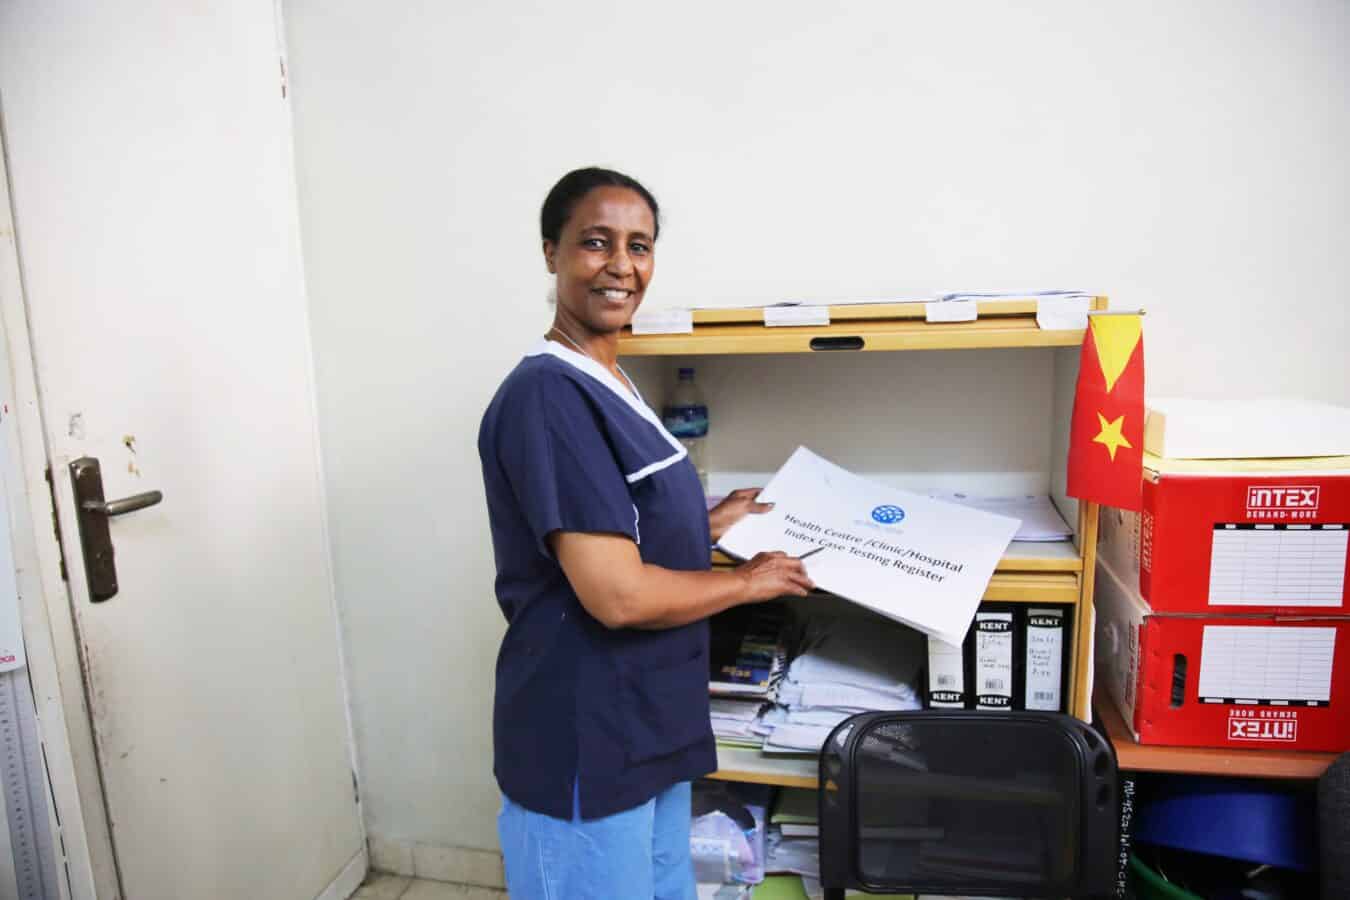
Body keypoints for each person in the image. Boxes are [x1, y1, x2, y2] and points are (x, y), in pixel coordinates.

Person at [477, 167, 814, 899]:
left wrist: (707, 520)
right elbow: (617, 594)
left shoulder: (612, 379)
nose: (622, 266)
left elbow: (621, 517)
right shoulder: (546, 396)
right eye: (596, 243)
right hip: (586, 734)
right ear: (551, 253)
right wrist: (746, 582)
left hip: (648, 724)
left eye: (640, 246)